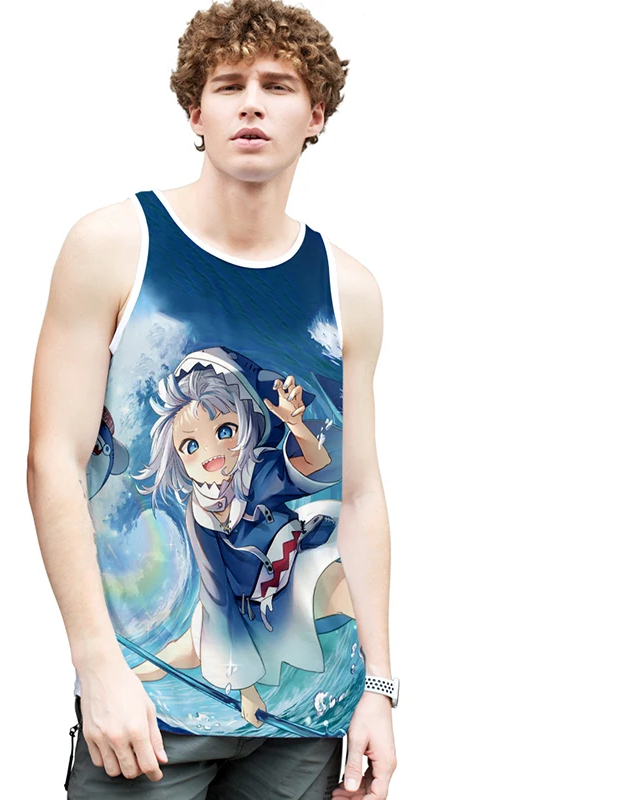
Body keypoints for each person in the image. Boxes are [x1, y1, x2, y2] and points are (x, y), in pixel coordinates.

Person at [27, 0, 399, 797]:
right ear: (196, 113)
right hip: (146, 714)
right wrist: (97, 666)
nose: (252, 104)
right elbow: (52, 461)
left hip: (308, 719)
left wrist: (379, 688)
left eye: (277, 85)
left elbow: (359, 495)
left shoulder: (350, 290)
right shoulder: (115, 245)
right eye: (230, 85)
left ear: (316, 115)